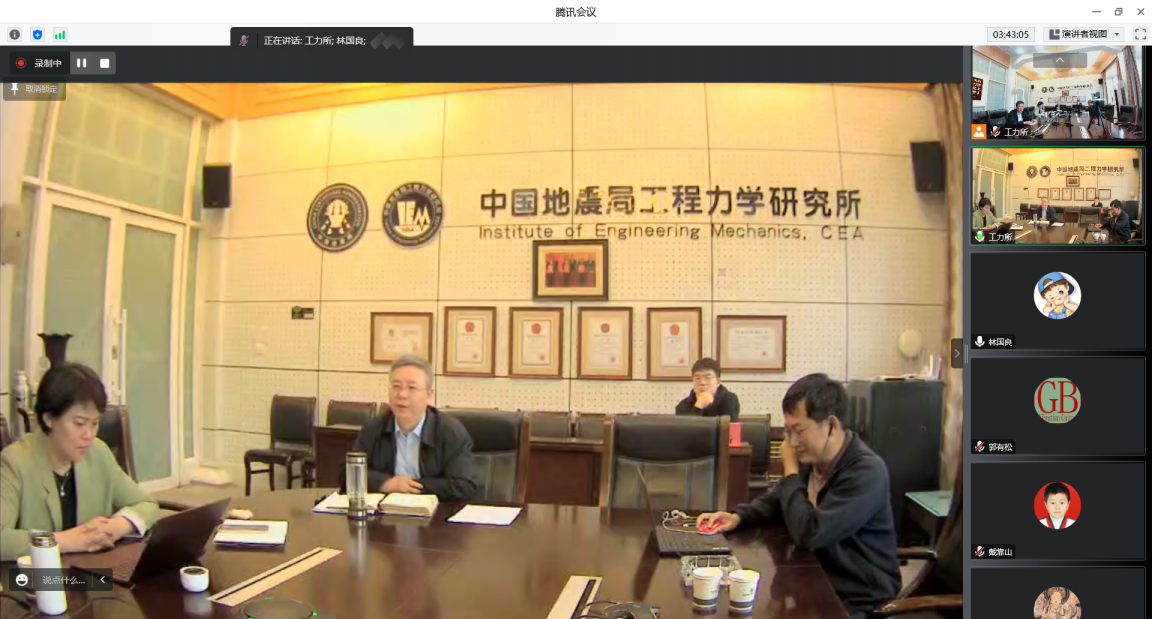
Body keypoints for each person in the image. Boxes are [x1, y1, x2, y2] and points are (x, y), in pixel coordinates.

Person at [697, 374, 900, 619]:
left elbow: (811, 533)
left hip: (856, 598)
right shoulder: (813, 459)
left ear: (831, 426)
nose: (792, 442)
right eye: (788, 432)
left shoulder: (866, 471)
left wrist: (791, 472)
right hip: (815, 580)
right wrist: (738, 516)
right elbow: (776, 501)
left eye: (799, 431)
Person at [1, 363, 159, 561]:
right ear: (49, 418)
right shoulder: (15, 462)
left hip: (91, 571)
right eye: (79, 423)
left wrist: (117, 526)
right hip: (36, 576)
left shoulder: (98, 453)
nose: (89, 435)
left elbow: (146, 503)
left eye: (95, 423)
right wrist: (66, 540)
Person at [342, 355, 479, 501]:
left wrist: (412, 487)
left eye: (412, 388)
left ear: (429, 394)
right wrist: (386, 483)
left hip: (435, 511)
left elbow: (465, 485)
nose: (402, 395)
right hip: (386, 511)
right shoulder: (374, 428)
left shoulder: (450, 431)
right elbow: (347, 474)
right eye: (396, 386)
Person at [674, 358, 740, 420]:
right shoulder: (683, 405)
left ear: (718, 382)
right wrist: (699, 406)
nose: (702, 383)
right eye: (697, 378)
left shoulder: (729, 399)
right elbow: (685, 428)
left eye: (708, 378)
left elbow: (729, 426)